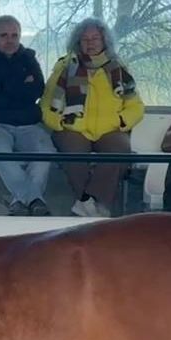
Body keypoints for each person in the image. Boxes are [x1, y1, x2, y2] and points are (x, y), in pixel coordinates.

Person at [40, 17, 144, 217]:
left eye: (95, 38)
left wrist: (121, 121)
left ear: (104, 41)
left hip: (110, 128)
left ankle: (90, 203)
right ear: (78, 42)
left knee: (121, 150)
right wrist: (57, 122)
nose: (90, 43)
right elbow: (46, 102)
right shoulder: (65, 66)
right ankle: (94, 208)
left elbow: (136, 106)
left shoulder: (119, 68)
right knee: (74, 153)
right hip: (73, 127)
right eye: (85, 39)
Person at [0, 15, 54, 215]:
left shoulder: (29, 58)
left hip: (27, 124)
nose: (10, 40)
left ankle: (20, 202)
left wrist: (2, 88)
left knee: (45, 152)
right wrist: (21, 89)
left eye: (15, 35)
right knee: (0, 154)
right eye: (4, 35)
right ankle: (35, 201)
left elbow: (38, 90)